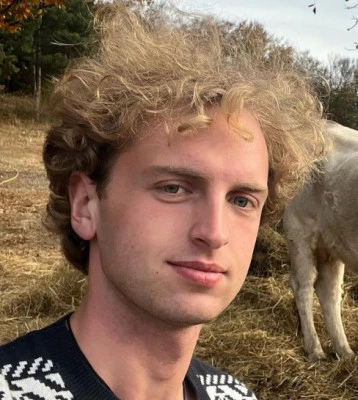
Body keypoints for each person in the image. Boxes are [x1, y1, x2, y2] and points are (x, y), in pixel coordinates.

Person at [0, 3, 326, 400]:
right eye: (174, 188)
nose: (214, 233)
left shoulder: (235, 395)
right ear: (85, 204)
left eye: (241, 200)